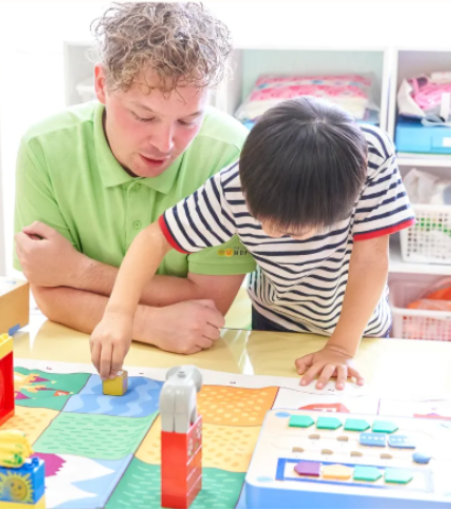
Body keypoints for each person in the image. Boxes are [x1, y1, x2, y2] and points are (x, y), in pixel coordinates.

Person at [91, 97, 416, 390]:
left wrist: (341, 348)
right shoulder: (233, 186)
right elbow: (155, 238)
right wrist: (119, 314)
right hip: (277, 322)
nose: (271, 234)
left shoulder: (370, 157)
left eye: (291, 233)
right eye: (260, 219)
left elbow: (371, 259)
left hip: (359, 330)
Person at [14, 3, 255, 356]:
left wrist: (77, 271)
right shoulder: (44, 148)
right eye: (144, 116)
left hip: (211, 350)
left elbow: (209, 301)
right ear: (101, 85)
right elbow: (49, 291)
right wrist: (147, 324)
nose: (165, 143)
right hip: (82, 347)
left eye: (188, 121)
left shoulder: (232, 153)